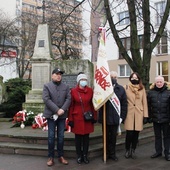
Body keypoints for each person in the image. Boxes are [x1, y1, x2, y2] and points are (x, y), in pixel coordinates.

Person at [42, 68, 71, 166]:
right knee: (51, 137)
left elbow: (68, 98)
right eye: (57, 74)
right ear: (52, 75)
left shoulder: (66, 86)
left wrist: (62, 109)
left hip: (62, 116)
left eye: (60, 74)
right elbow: (46, 99)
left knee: (61, 137)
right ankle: (50, 157)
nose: (59, 76)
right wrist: (56, 110)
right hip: (51, 115)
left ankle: (60, 156)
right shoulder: (47, 86)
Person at [68, 72, 97, 164]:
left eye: (85, 80)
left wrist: (94, 116)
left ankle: (85, 155)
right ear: (78, 81)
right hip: (77, 117)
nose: (84, 81)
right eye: (82, 80)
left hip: (88, 117)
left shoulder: (90, 90)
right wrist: (70, 119)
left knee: (86, 138)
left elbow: (93, 104)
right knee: (78, 138)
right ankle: (79, 155)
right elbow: (71, 106)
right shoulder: (73, 91)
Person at [98, 71, 127, 161]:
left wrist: (122, 117)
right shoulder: (104, 89)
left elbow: (124, 104)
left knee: (113, 138)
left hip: (116, 118)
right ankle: (105, 153)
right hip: (105, 117)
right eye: (111, 77)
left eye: (115, 77)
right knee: (105, 137)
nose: (113, 78)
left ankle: (112, 154)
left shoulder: (121, 89)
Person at [124, 72, 148, 159]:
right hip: (129, 113)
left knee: (136, 133)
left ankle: (133, 150)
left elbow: (144, 102)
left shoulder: (142, 88)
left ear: (139, 79)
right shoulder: (126, 87)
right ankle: (127, 150)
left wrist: (145, 115)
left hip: (139, 113)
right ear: (130, 78)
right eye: (133, 78)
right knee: (129, 133)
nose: (134, 79)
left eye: (136, 78)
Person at [147, 75, 170, 161]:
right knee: (157, 136)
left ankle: (167, 153)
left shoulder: (168, 93)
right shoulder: (151, 93)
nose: (159, 83)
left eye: (161, 82)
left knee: (167, 137)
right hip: (155, 118)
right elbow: (148, 106)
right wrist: (149, 116)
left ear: (164, 82)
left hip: (166, 119)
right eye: (157, 82)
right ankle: (158, 152)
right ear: (155, 83)